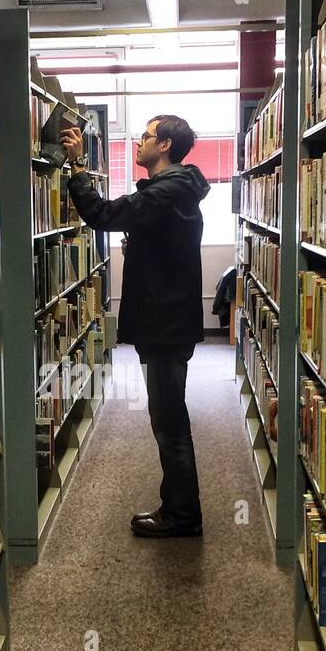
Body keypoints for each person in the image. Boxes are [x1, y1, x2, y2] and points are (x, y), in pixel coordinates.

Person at [60, 115, 209, 538]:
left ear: (164, 146)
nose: (138, 142)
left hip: (165, 324)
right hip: (168, 320)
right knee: (167, 415)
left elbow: (102, 214)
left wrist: (77, 168)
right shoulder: (176, 191)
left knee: (169, 420)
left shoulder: (167, 192)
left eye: (145, 136)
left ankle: (182, 516)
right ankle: (179, 509)